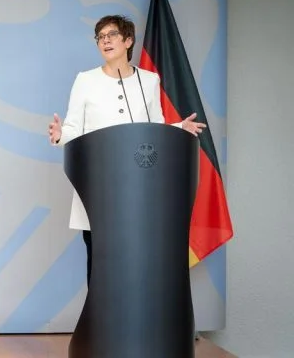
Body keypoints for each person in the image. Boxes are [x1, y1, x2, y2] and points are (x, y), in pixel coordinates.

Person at [48, 15, 205, 286]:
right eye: (100, 37)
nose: (105, 41)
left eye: (112, 35)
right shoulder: (85, 80)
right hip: (98, 188)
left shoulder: (149, 80)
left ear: (128, 40)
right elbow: (74, 128)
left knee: (137, 262)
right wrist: (61, 135)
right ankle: (100, 314)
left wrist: (179, 127)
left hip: (139, 189)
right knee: (101, 265)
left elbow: (154, 128)